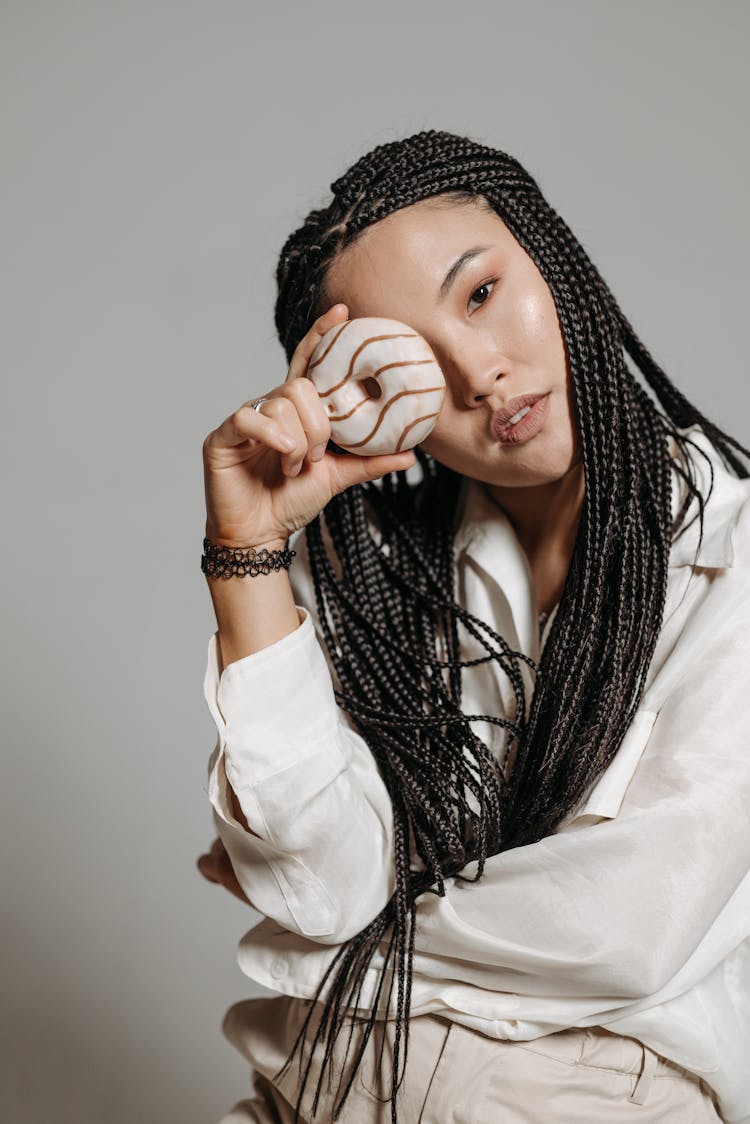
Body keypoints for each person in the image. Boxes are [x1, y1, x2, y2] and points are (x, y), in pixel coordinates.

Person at [198, 130, 750, 1123]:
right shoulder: (406, 590)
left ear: (552, 253)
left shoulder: (736, 556)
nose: (482, 374)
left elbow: (628, 924)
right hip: (317, 1086)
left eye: (483, 292)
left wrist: (340, 943)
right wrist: (248, 553)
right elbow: (326, 882)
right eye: (408, 360)